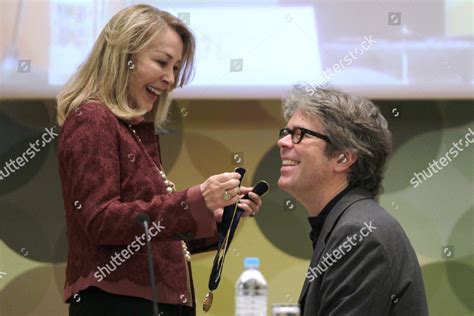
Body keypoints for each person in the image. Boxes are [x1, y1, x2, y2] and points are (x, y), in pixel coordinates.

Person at [56, 4, 262, 316]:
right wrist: (193, 200)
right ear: (122, 56)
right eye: (162, 62)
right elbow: (101, 222)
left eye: (176, 68)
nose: (170, 79)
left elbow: (149, 242)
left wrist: (212, 217)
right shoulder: (93, 118)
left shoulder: (132, 129)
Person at [277, 85, 428, 315]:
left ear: (343, 158)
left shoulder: (358, 234)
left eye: (300, 134)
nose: (283, 143)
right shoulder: (349, 223)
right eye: (286, 133)